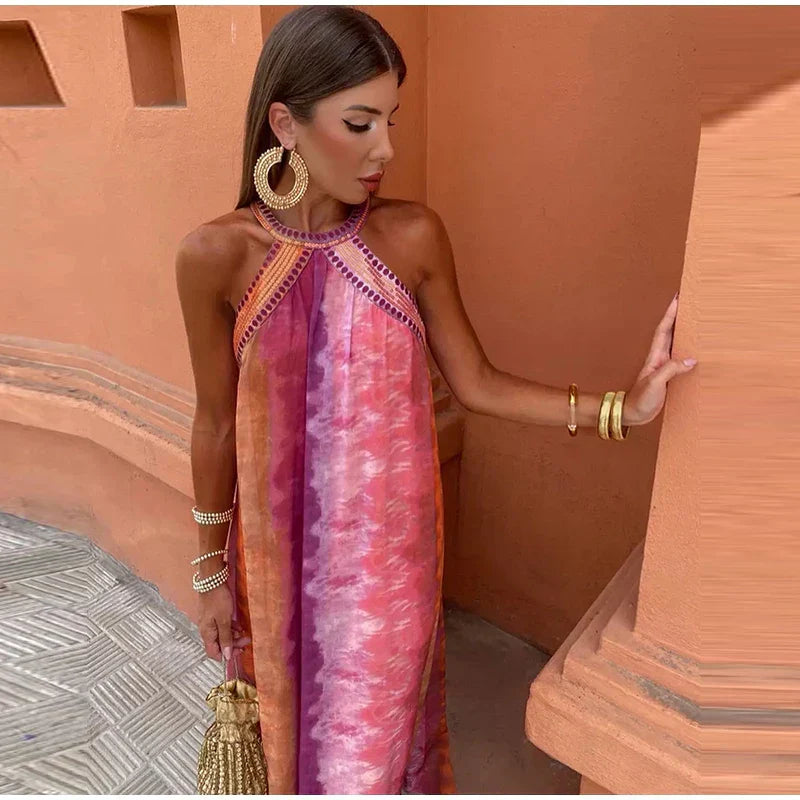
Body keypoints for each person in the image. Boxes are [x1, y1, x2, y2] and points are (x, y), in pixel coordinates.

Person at [175, 6, 698, 794]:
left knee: (372, 757)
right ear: (286, 123)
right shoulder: (215, 256)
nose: (386, 148)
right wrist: (209, 574)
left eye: (391, 120)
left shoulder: (412, 237)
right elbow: (216, 423)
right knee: (291, 751)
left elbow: (477, 383)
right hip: (275, 576)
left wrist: (623, 409)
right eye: (360, 123)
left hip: (392, 573)